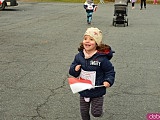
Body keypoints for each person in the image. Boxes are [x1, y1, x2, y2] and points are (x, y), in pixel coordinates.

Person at [69, 27, 116, 120]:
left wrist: (108, 81)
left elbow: (109, 71)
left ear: (97, 43)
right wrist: (75, 69)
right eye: (85, 38)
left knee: (96, 113)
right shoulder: (79, 56)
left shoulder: (101, 58)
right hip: (84, 89)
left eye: (91, 39)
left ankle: (99, 110)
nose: (87, 41)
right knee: (84, 112)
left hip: (97, 90)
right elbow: (72, 72)